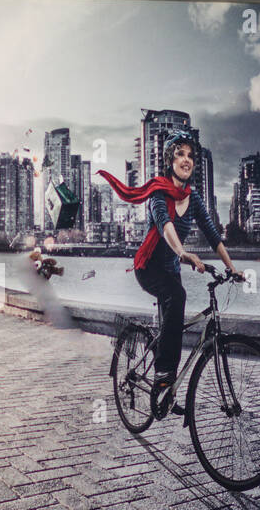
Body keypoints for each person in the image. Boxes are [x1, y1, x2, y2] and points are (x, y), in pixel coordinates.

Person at [97, 132, 240, 395]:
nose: (186, 160)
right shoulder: (158, 194)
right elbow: (166, 225)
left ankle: (164, 389)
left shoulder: (194, 199)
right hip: (148, 267)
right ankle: (163, 372)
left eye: (190, 156)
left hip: (171, 269)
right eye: (180, 154)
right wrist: (183, 252)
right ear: (169, 161)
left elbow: (212, 234)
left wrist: (231, 268)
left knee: (172, 318)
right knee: (178, 296)